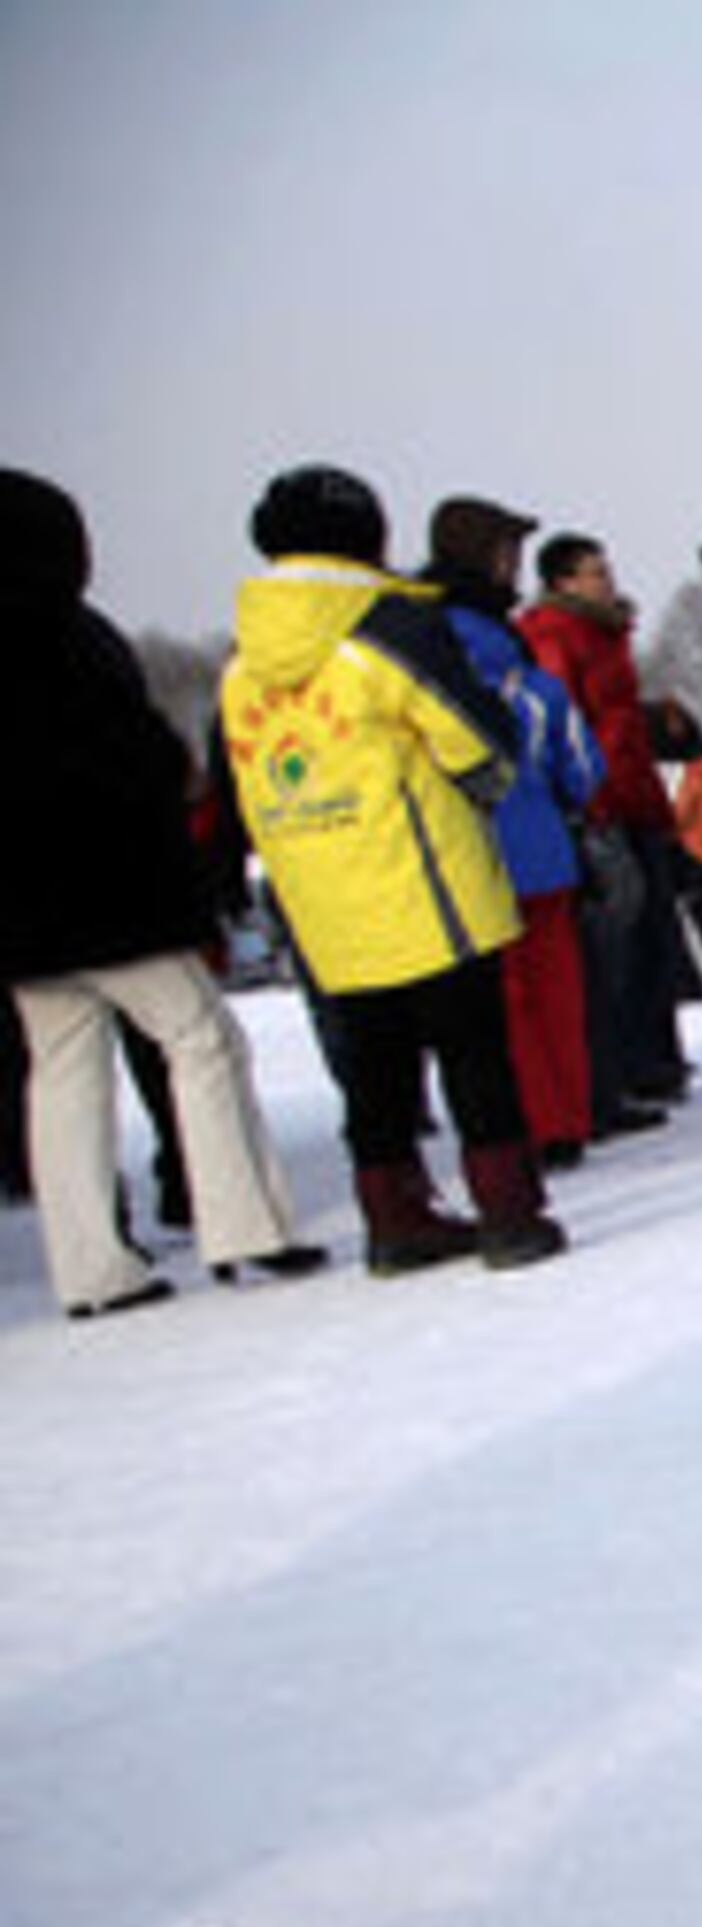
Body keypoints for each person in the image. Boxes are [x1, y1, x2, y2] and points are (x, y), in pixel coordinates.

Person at [222, 464, 565, 1272]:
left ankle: (394, 1216)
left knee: (373, 1065)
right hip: (423, 877)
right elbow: (476, 741)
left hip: (322, 891)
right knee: (473, 1048)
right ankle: (507, 1208)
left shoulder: (243, 662)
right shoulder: (386, 626)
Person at [6, 467, 324, 1313]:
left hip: (19, 914)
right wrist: (170, 771)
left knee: (62, 1072)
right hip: (109, 895)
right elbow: (127, 756)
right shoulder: (68, 638)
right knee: (202, 1039)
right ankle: (246, 1226)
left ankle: (89, 1266)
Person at [424, 495, 613, 1167]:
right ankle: (564, 1116)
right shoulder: (522, 671)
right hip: (538, 847)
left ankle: (524, 1121)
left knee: (502, 1004)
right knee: (554, 991)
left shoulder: (416, 646)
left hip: (464, 855)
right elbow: (582, 765)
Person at [518, 529, 700, 1115]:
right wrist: (590, 800)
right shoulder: (553, 637)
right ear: (561, 582)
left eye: (606, 567)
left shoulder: (606, 633)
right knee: (613, 946)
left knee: (649, 938)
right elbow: (564, 724)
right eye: (593, 571)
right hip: (602, 804)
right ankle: (618, 1070)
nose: (608, 579)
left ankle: (652, 1061)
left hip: (633, 794)